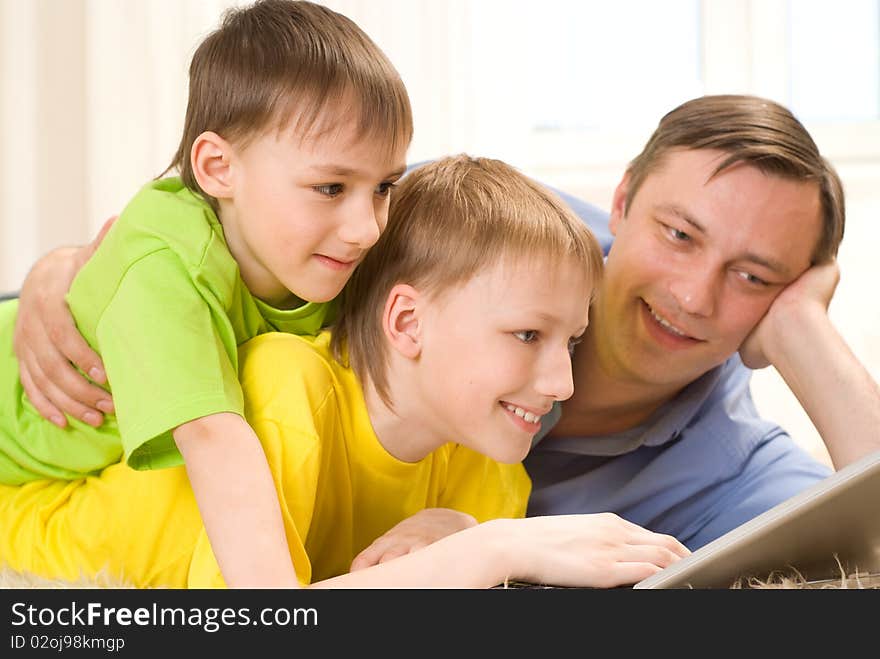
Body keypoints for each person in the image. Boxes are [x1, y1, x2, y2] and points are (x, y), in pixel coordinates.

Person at [14, 95, 880, 565]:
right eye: (678, 234)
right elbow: (207, 231)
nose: (693, 292)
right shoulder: (470, 230)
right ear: (623, 201)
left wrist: (804, 333)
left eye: (753, 277)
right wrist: (64, 271)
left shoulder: (729, 461)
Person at [0, 155, 689, 589]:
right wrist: (487, 550)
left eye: (568, 341)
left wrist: (467, 540)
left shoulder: (490, 457)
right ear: (406, 322)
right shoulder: (286, 387)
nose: (562, 384)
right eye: (527, 334)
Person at [0, 0, 412, 588]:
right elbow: (213, 438)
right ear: (219, 168)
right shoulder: (165, 261)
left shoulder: (321, 251)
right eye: (330, 187)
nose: (366, 227)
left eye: (384, 187)